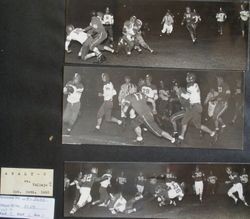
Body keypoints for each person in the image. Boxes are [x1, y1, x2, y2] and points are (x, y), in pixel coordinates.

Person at [177, 73, 216, 143]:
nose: (186, 78)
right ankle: (212, 133)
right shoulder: (195, 84)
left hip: (194, 107)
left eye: (187, 77)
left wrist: (179, 92)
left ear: (190, 79)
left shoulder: (189, 85)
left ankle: (181, 138)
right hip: (198, 106)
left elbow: (187, 97)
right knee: (198, 125)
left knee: (184, 121)